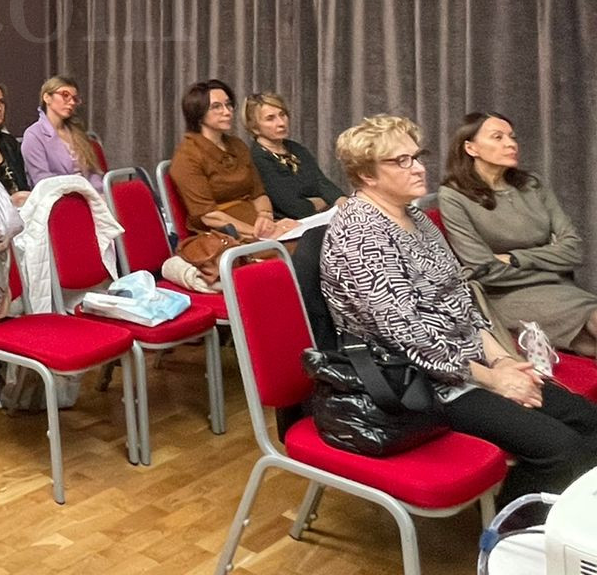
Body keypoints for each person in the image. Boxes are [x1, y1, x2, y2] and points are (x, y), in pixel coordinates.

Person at [321, 115, 597, 501]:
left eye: (418, 156)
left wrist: (502, 361)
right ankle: (513, 531)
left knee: (587, 419)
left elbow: (463, 299)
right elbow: (409, 338)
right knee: (562, 449)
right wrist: (494, 379)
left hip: (470, 364)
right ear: (367, 175)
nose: (419, 167)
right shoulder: (359, 233)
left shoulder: (416, 217)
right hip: (416, 381)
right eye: (401, 161)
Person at [441, 112, 597, 356]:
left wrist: (516, 258)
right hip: (506, 297)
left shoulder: (532, 185)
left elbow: (573, 249)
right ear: (471, 148)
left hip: (560, 288)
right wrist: (550, 263)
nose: (511, 143)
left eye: (512, 137)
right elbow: (483, 269)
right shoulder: (453, 196)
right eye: (498, 137)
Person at [168, 79, 297, 242]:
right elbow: (208, 216)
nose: (227, 112)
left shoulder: (237, 145)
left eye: (228, 105)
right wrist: (257, 234)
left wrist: (266, 218)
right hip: (223, 234)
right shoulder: (187, 157)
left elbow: (258, 193)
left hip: (254, 222)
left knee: (311, 239)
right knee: (299, 249)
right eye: (217, 107)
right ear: (198, 114)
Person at [243, 92, 344, 219]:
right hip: (289, 224)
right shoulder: (258, 158)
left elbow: (321, 183)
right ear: (254, 127)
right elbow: (294, 207)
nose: (281, 123)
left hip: (319, 217)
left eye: (282, 115)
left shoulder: (295, 148)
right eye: (270, 118)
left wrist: (343, 202)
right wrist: (322, 202)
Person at [19, 76, 104, 192]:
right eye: (65, 95)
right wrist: (79, 188)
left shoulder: (77, 132)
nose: (72, 102)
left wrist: (98, 191)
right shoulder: (34, 135)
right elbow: (42, 179)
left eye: (74, 98)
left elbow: (92, 172)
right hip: (57, 196)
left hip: (88, 193)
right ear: (47, 98)